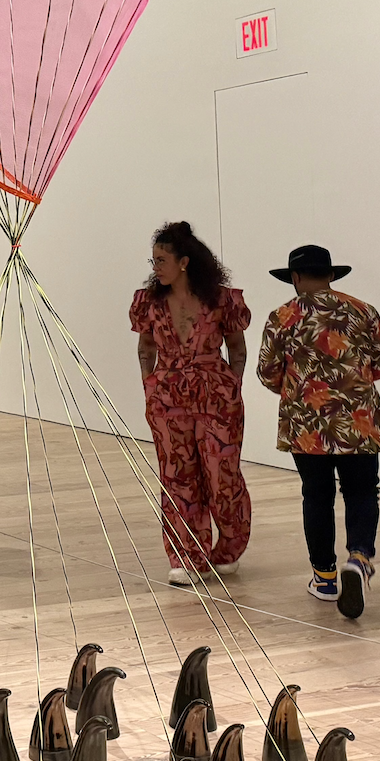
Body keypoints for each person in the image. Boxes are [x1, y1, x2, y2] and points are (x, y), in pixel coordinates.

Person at [256, 244, 380, 620]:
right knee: (362, 491)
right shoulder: (364, 311)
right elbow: (378, 364)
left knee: (316, 496)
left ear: (295, 278)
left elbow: (268, 373)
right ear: (331, 275)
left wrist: (300, 387)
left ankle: (325, 578)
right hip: (359, 420)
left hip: (307, 424)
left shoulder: (282, 316)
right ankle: (360, 559)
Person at [131, 221, 253, 586]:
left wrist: (231, 384)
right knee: (177, 477)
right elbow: (145, 348)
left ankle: (229, 547)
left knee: (222, 476)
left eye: (161, 260)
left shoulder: (221, 300)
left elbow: (237, 347)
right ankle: (186, 555)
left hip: (216, 396)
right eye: (153, 260)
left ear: (184, 261)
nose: (155, 267)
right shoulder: (149, 302)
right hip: (167, 399)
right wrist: (150, 387)